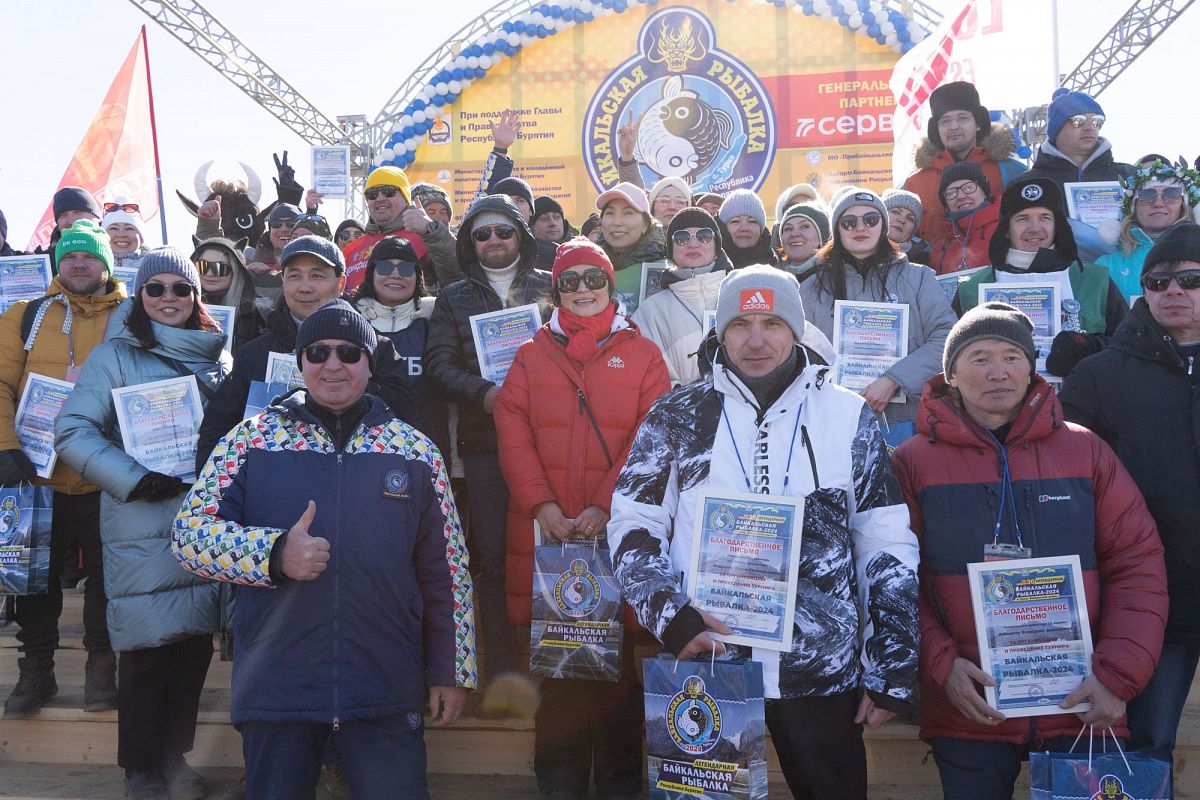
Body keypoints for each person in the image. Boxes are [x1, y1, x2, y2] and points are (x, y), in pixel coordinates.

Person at [609, 265, 920, 799]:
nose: (756, 340)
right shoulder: (678, 414)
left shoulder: (848, 415)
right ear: (720, 331)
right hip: (709, 657)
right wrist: (670, 615)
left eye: (772, 323)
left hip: (818, 668)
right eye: (740, 324)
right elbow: (634, 523)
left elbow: (883, 540)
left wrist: (891, 658)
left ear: (795, 330)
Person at [172, 299, 476, 799]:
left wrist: (451, 669)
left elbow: (448, 572)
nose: (333, 364)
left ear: (370, 364)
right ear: (300, 361)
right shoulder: (249, 441)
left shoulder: (415, 452)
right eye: (318, 352)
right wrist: (274, 554)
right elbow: (188, 537)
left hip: (382, 683)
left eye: (349, 352)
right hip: (279, 684)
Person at [891, 302, 1167, 800]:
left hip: (1081, 701)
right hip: (971, 705)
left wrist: (1116, 677)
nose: (998, 372)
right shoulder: (913, 462)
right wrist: (941, 664)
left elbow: (1137, 565)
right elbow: (895, 579)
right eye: (979, 358)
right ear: (951, 375)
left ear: (1032, 367)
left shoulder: (1085, 450)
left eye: (1011, 356)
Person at [494, 238, 670, 800]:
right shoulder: (530, 354)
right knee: (558, 673)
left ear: (611, 283)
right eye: (570, 281)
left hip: (616, 536)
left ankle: (620, 785)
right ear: (556, 290)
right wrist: (541, 504)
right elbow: (512, 431)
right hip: (548, 536)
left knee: (618, 678)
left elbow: (652, 434)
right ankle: (561, 786)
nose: (583, 290)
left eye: (594, 278)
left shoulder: (644, 354)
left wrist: (605, 504)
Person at [54, 248, 230, 800]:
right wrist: (133, 478)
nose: (168, 298)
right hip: (142, 521)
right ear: (139, 295)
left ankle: (173, 757)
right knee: (148, 650)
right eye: (156, 288)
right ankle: (139, 768)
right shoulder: (114, 356)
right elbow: (73, 431)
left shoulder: (217, 358)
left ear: (196, 296)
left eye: (181, 288)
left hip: (203, 521)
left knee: (192, 646)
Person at [1059, 222, 1200, 772]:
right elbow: (1066, 482)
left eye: (1191, 280)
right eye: (1158, 281)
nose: (1173, 291)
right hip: (1154, 599)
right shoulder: (1098, 376)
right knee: (1144, 752)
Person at [0, 220, 127, 719]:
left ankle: (102, 668)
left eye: (90, 256)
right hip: (37, 474)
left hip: (107, 474)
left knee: (107, 577)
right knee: (34, 578)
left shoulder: (132, 316)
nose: (78, 263)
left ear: (106, 264)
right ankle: (37, 669)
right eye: (70, 255)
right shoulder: (26, 315)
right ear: (57, 261)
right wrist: (6, 447)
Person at [426, 195, 552, 692]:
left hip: (548, 441)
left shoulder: (551, 286)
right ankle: (502, 669)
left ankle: (556, 663)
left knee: (551, 551)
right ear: (469, 242)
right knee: (494, 557)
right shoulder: (452, 297)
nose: (494, 240)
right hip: (485, 444)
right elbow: (438, 368)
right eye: (482, 234)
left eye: (504, 231)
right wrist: (486, 394)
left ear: (522, 235)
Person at [800, 188, 957, 425]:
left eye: (871, 220)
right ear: (837, 230)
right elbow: (798, 353)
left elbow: (947, 338)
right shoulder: (812, 289)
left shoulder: (919, 278)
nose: (860, 227)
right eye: (849, 222)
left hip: (909, 421)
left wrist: (894, 379)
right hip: (834, 420)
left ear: (883, 226)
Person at [195, 235, 347, 469]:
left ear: (341, 284)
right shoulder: (253, 355)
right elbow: (218, 428)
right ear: (283, 282)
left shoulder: (373, 350)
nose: (305, 287)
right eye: (294, 276)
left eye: (317, 276)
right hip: (269, 482)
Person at [951, 177, 1128, 377]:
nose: (1034, 228)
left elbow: (1127, 345)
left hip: (1080, 393)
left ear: (1057, 226)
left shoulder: (1094, 280)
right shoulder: (973, 288)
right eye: (1022, 218)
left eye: (1045, 218)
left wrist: (1089, 346)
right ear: (1006, 230)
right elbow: (952, 357)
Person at [902, 81, 1025, 244]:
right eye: (945, 121)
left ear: (978, 123)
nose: (953, 127)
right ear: (936, 128)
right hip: (935, 260)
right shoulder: (914, 184)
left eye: (962, 118)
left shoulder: (1011, 172)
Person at [352, 235, 444, 452]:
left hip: (427, 448)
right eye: (385, 267)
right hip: (363, 448)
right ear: (371, 273)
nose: (395, 274)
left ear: (417, 276)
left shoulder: (437, 319)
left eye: (405, 268)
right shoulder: (351, 321)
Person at [632, 207, 736, 386]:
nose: (693, 244)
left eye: (704, 236)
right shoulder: (650, 311)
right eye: (682, 238)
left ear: (717, 246)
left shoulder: (740, 294)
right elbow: (645, 377)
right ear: (670, 249)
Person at [342, 166, 460, 293]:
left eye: (389, 192)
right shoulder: (351, 250)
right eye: (372, 194)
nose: (380, 198)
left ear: (405, 198)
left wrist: (430, 230)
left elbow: (458, 273)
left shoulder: (427, 238)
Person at [1097, 159, 1200, 301]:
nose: (1158, 203)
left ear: (1184, 205)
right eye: (1147, 196)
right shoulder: (1106, 266)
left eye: (1171, 195)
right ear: (1134, 208)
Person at [1024, 89, 1132, 189]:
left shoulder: (1128, 177)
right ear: (1057, 130)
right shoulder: (1028, 184)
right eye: (1079, 121)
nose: (1090, 127)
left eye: (1096, 120)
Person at [595, 182, 667, 315]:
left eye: (627, 213)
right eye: (610, 213)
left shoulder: (665, 271)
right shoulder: (590, 267)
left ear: (646, 224)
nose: (617, 222)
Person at [193, 236, 265, 353]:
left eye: (220, 268)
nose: (210, 274)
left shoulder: (255, 312)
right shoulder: (179, 305)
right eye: (202, 266)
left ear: (236, 271)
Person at [929, 162, 1002, 275]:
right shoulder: (939, 248)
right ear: (946, 203)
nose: (961, 197)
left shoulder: (1005, 227)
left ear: (984, 191)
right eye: (951, 193)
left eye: (968, 188)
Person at [243, 203, 301, 302]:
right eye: (276, 224)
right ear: (270, 231)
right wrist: (246, 274)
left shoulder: (316, 262)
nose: (283, 229)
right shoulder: (249, 261)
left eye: (291, 223)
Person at [717, 188, 777, 268]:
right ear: (723, 228)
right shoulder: (709, 266)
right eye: (735, 221)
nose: (744, 228)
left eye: (752, 221)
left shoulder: (777, 267)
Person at [775, 202, 831, 280]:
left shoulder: (838, 280)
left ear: (821, 235)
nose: (794, 234)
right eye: (788, 228)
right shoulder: (779, 280)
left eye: (804, 226)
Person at [102, 197, 148, 281]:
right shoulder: (93, 263)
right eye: (114, 228)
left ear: (141, 238)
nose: (121, 234)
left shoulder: (152, 264)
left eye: (129, 228)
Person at [883, 188, 930, 266]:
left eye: (910, 218)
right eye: (896, 212)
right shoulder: (862, 250)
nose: (902, 220)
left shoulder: (924, 259)